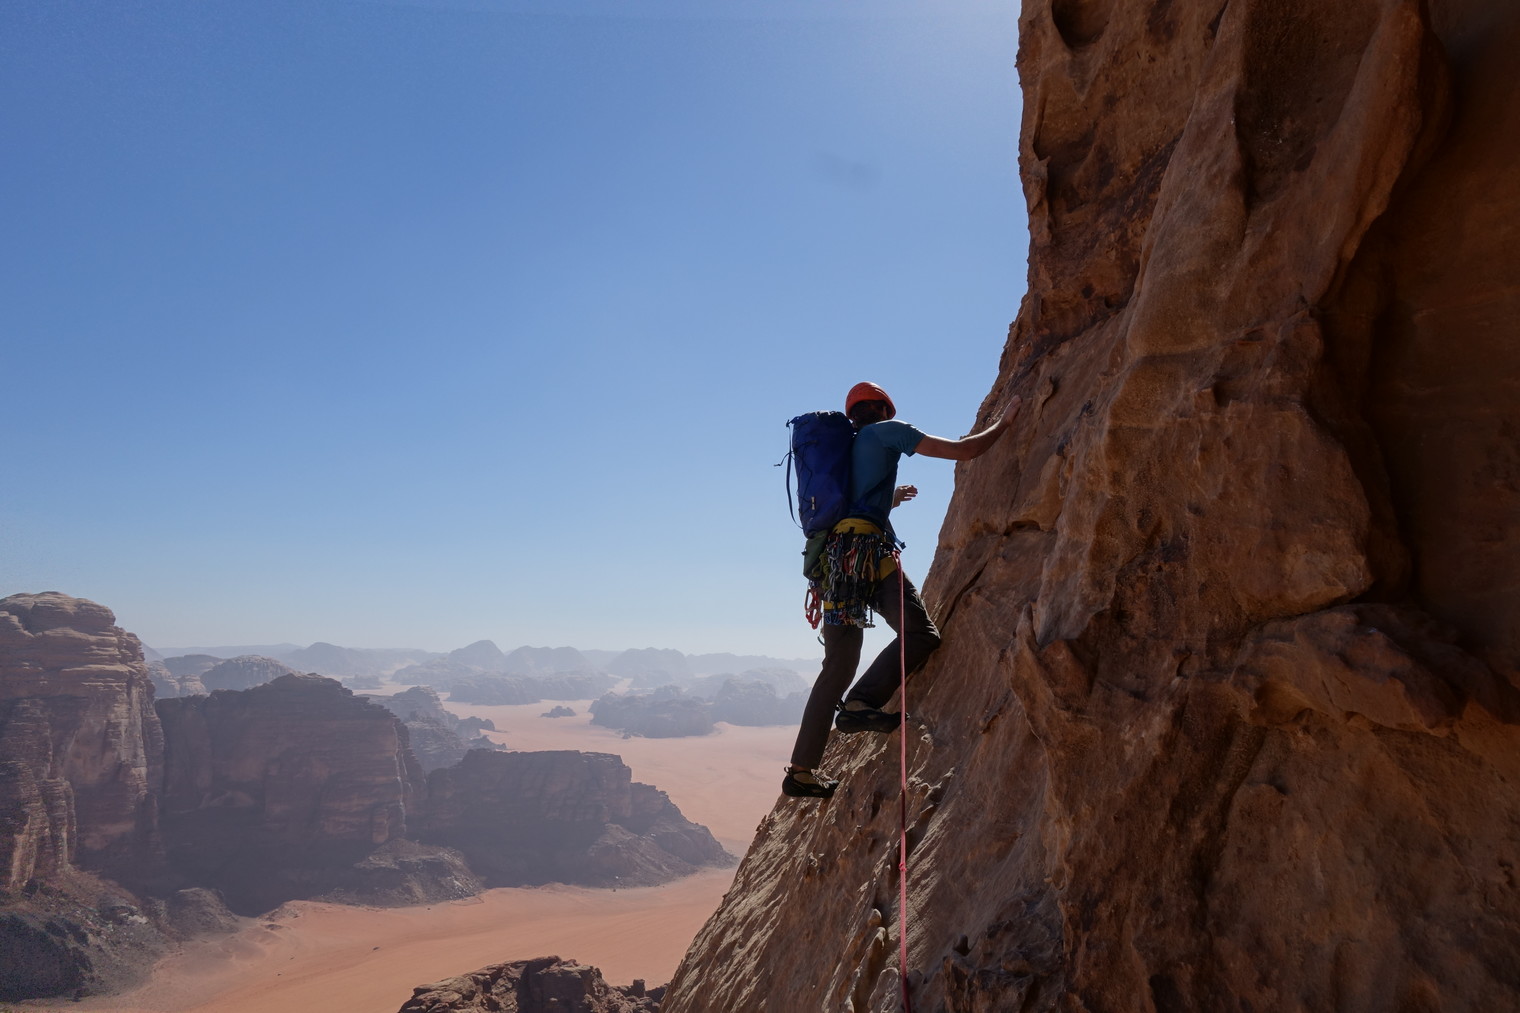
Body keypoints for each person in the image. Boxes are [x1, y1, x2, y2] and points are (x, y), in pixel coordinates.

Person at [783, 381, 1021, 799]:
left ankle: (801, 771)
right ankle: (860, 704)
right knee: (920, 634)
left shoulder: (848, 451)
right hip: (868, 558)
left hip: (834, 565)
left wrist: (889, 499)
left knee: (837, 664)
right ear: (883, 408)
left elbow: (851, 504)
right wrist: (1005, 422)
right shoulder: (888, 432)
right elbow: (965, 450)